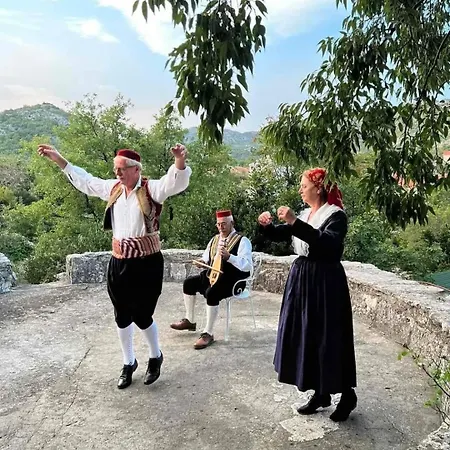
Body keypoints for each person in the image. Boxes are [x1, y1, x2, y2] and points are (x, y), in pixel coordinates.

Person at [37, 143, 191, 389]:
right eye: (115, 169)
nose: (117, 173)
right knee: (121, 314)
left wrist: (179, 161)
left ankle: (155, 356)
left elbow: (175, 183)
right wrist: (59, 159)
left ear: (136, 169)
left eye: (121, 169)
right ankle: (128, 362)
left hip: (147, 263)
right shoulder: (114, 189)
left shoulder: (151, 189)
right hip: (119, 261)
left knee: (142, 315)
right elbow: (86, 181)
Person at [257, 168, 357, 422]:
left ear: (319, 188)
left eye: (304, 186)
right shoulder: (306, 214)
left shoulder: (335, 216)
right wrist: (267, 226)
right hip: (303, 280)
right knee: (308, 335)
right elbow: (283, 234)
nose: (301, 190)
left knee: (329, 337)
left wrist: (294, 223)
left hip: (326, 283)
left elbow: (326, 243)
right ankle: (320, 392)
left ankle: (347, 394)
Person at [170, 209, 253, 349]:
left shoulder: (242, 241)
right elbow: (206, 258)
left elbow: (247, 266)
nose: (221, 227)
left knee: (212, 293)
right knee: (189, 283)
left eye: (224, 224)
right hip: (213, 276)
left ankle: (208, 333)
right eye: (219, 224)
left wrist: (230, 257)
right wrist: (201, 262)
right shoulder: (215, 239)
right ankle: (190, 320)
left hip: (234, 280)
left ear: (232, 223)